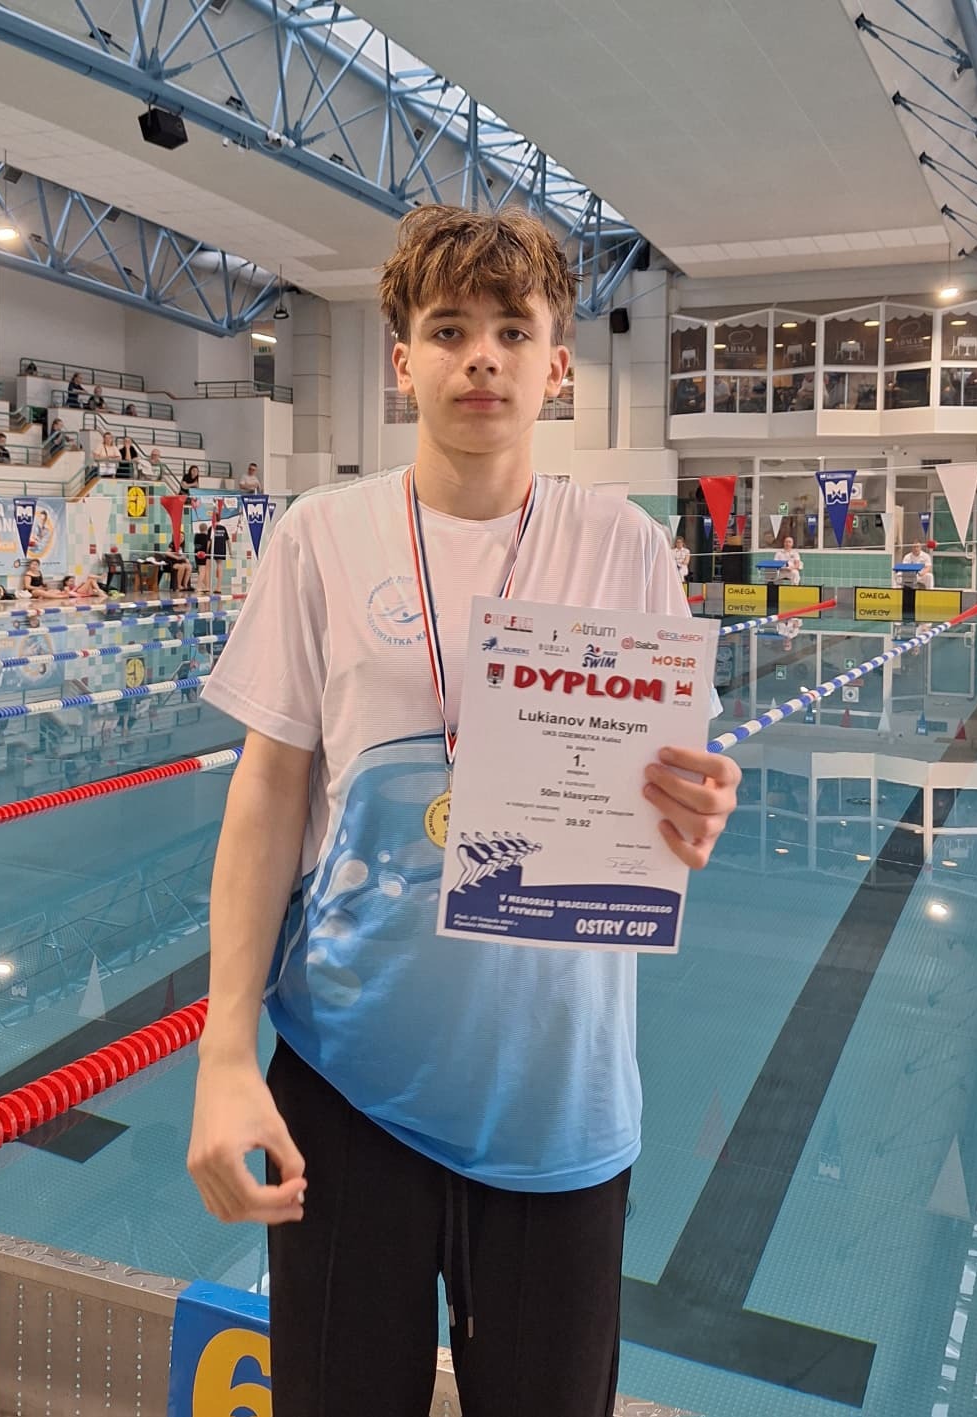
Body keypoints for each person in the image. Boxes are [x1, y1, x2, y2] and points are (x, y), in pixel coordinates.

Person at [186, 203, 741, 1417]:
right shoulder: (321, 538)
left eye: (509, 330)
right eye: (446, 330)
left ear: (556, 365)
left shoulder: (624, 548)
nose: (478, 356)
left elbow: (669, 793)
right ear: (402, 362)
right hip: (345, 1081)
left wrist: (695, 812)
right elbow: (267, 789)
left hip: (557, 1097)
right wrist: (224, 1050)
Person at [192, 514, 229, 595]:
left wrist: (207, 551)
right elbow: (228, 540)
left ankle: (207, 587)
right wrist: (230, 551)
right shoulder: (223, 528)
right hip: (221, 549)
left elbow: (209, 541)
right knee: (219, 566)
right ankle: (218, 587)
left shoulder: (211, 528)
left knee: (207, 568)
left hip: (211, 550)